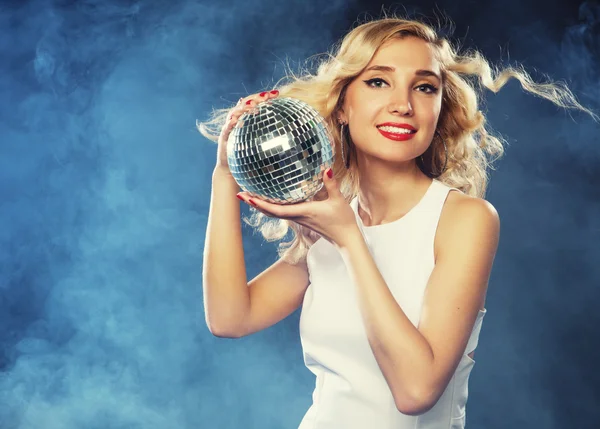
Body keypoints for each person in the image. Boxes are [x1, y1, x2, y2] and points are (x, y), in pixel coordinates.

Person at [198, 15, 596, 429]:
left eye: (424, 87)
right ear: (343, 105)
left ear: (441, 109)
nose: (403, 105)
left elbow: (416, 392)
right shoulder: (332, 221)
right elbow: (230, 318)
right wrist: (225, 175)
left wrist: (350, 241)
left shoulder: (463, 219)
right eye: (378, 82)